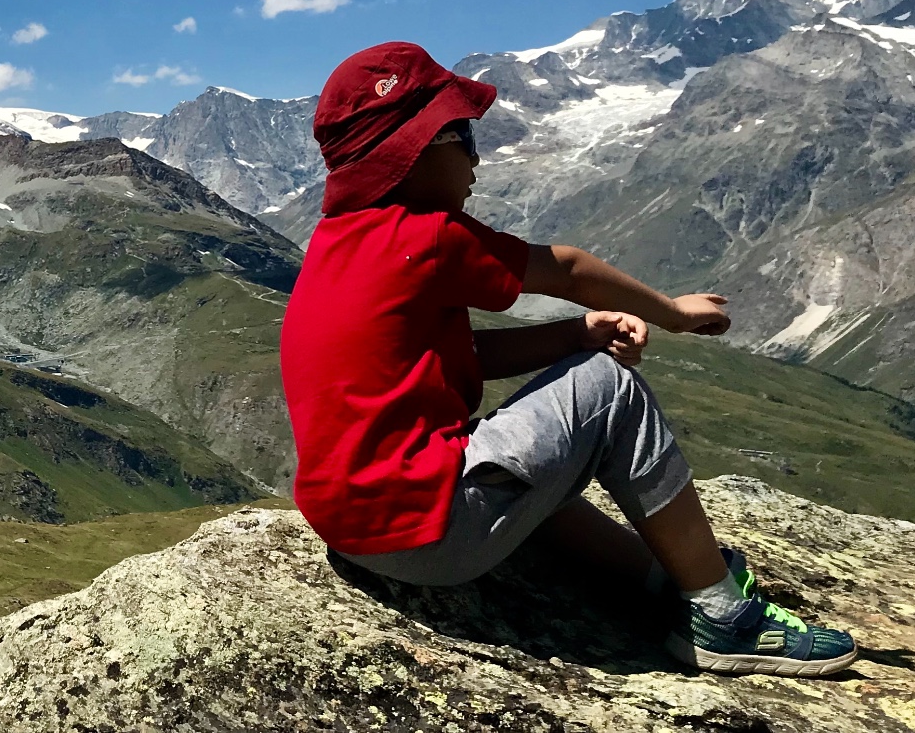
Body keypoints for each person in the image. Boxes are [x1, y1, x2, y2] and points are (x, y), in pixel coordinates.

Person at [279, 41, 858, 677]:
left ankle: (661, 582)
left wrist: (575, 336)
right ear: (416, 150)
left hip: (356, 531)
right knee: (608, 390)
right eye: (464, 136)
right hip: (430, 534)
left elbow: (458, 354)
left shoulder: (336, 245)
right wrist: (675, 312)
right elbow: (570, 268)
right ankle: (723, 617)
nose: (478, 159)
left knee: (517, 454)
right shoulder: (426, 236)